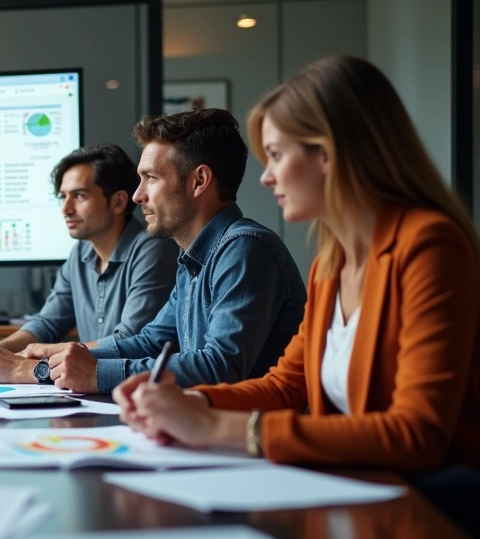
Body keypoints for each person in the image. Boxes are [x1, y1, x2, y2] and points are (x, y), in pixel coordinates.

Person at [115, 56, 480, 474]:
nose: (267, 177)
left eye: (276, 155)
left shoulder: (430, 245)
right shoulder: (332, 260)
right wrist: (191, 402)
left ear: (328, 154)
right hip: (353, 483)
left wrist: (216, 425)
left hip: (428, 507)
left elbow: (416, 434)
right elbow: (287, 386)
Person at [47, 109, 307, 394]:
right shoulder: (192, 259)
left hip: (246, 433)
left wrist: (95, 373)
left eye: (152, 178)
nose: (138, 195)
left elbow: (219, 367)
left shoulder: (245, 248)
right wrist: (58, 362)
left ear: (199, 181)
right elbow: (151, 342)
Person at [0, 144, 178, 384]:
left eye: (79, 195)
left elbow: (130, 340)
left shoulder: (153, 248)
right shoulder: (80, 253)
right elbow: (47, 324)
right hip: (87, 389)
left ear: (118, 202)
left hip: (129, 389)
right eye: (64, 197)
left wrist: (24, 362)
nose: (66, 209)